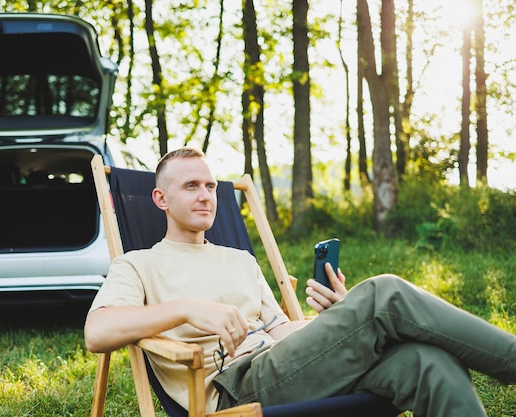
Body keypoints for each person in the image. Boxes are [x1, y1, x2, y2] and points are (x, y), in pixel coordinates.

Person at [84, 147, 516, 417]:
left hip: (284, 366)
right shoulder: (139, 264)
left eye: (212, 186)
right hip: (233, 386)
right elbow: (97, 332)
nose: (205, 196)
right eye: (191, 186)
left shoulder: (239, 260)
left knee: (426, 362)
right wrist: (187, 309)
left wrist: (344, 318)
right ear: (160, 199)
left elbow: (281, 330)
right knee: (386, 292)